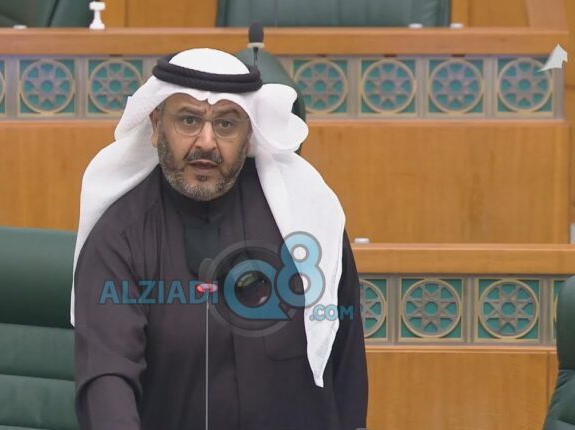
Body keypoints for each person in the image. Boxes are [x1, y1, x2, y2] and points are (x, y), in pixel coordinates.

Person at [72, 48, 368, 430]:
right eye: (189, 120)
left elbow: (345, 364)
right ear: (156, 125)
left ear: (249, 134)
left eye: (226, 124)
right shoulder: (120, 237)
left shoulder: (306, 216)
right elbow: (107, 378)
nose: (207, 142)